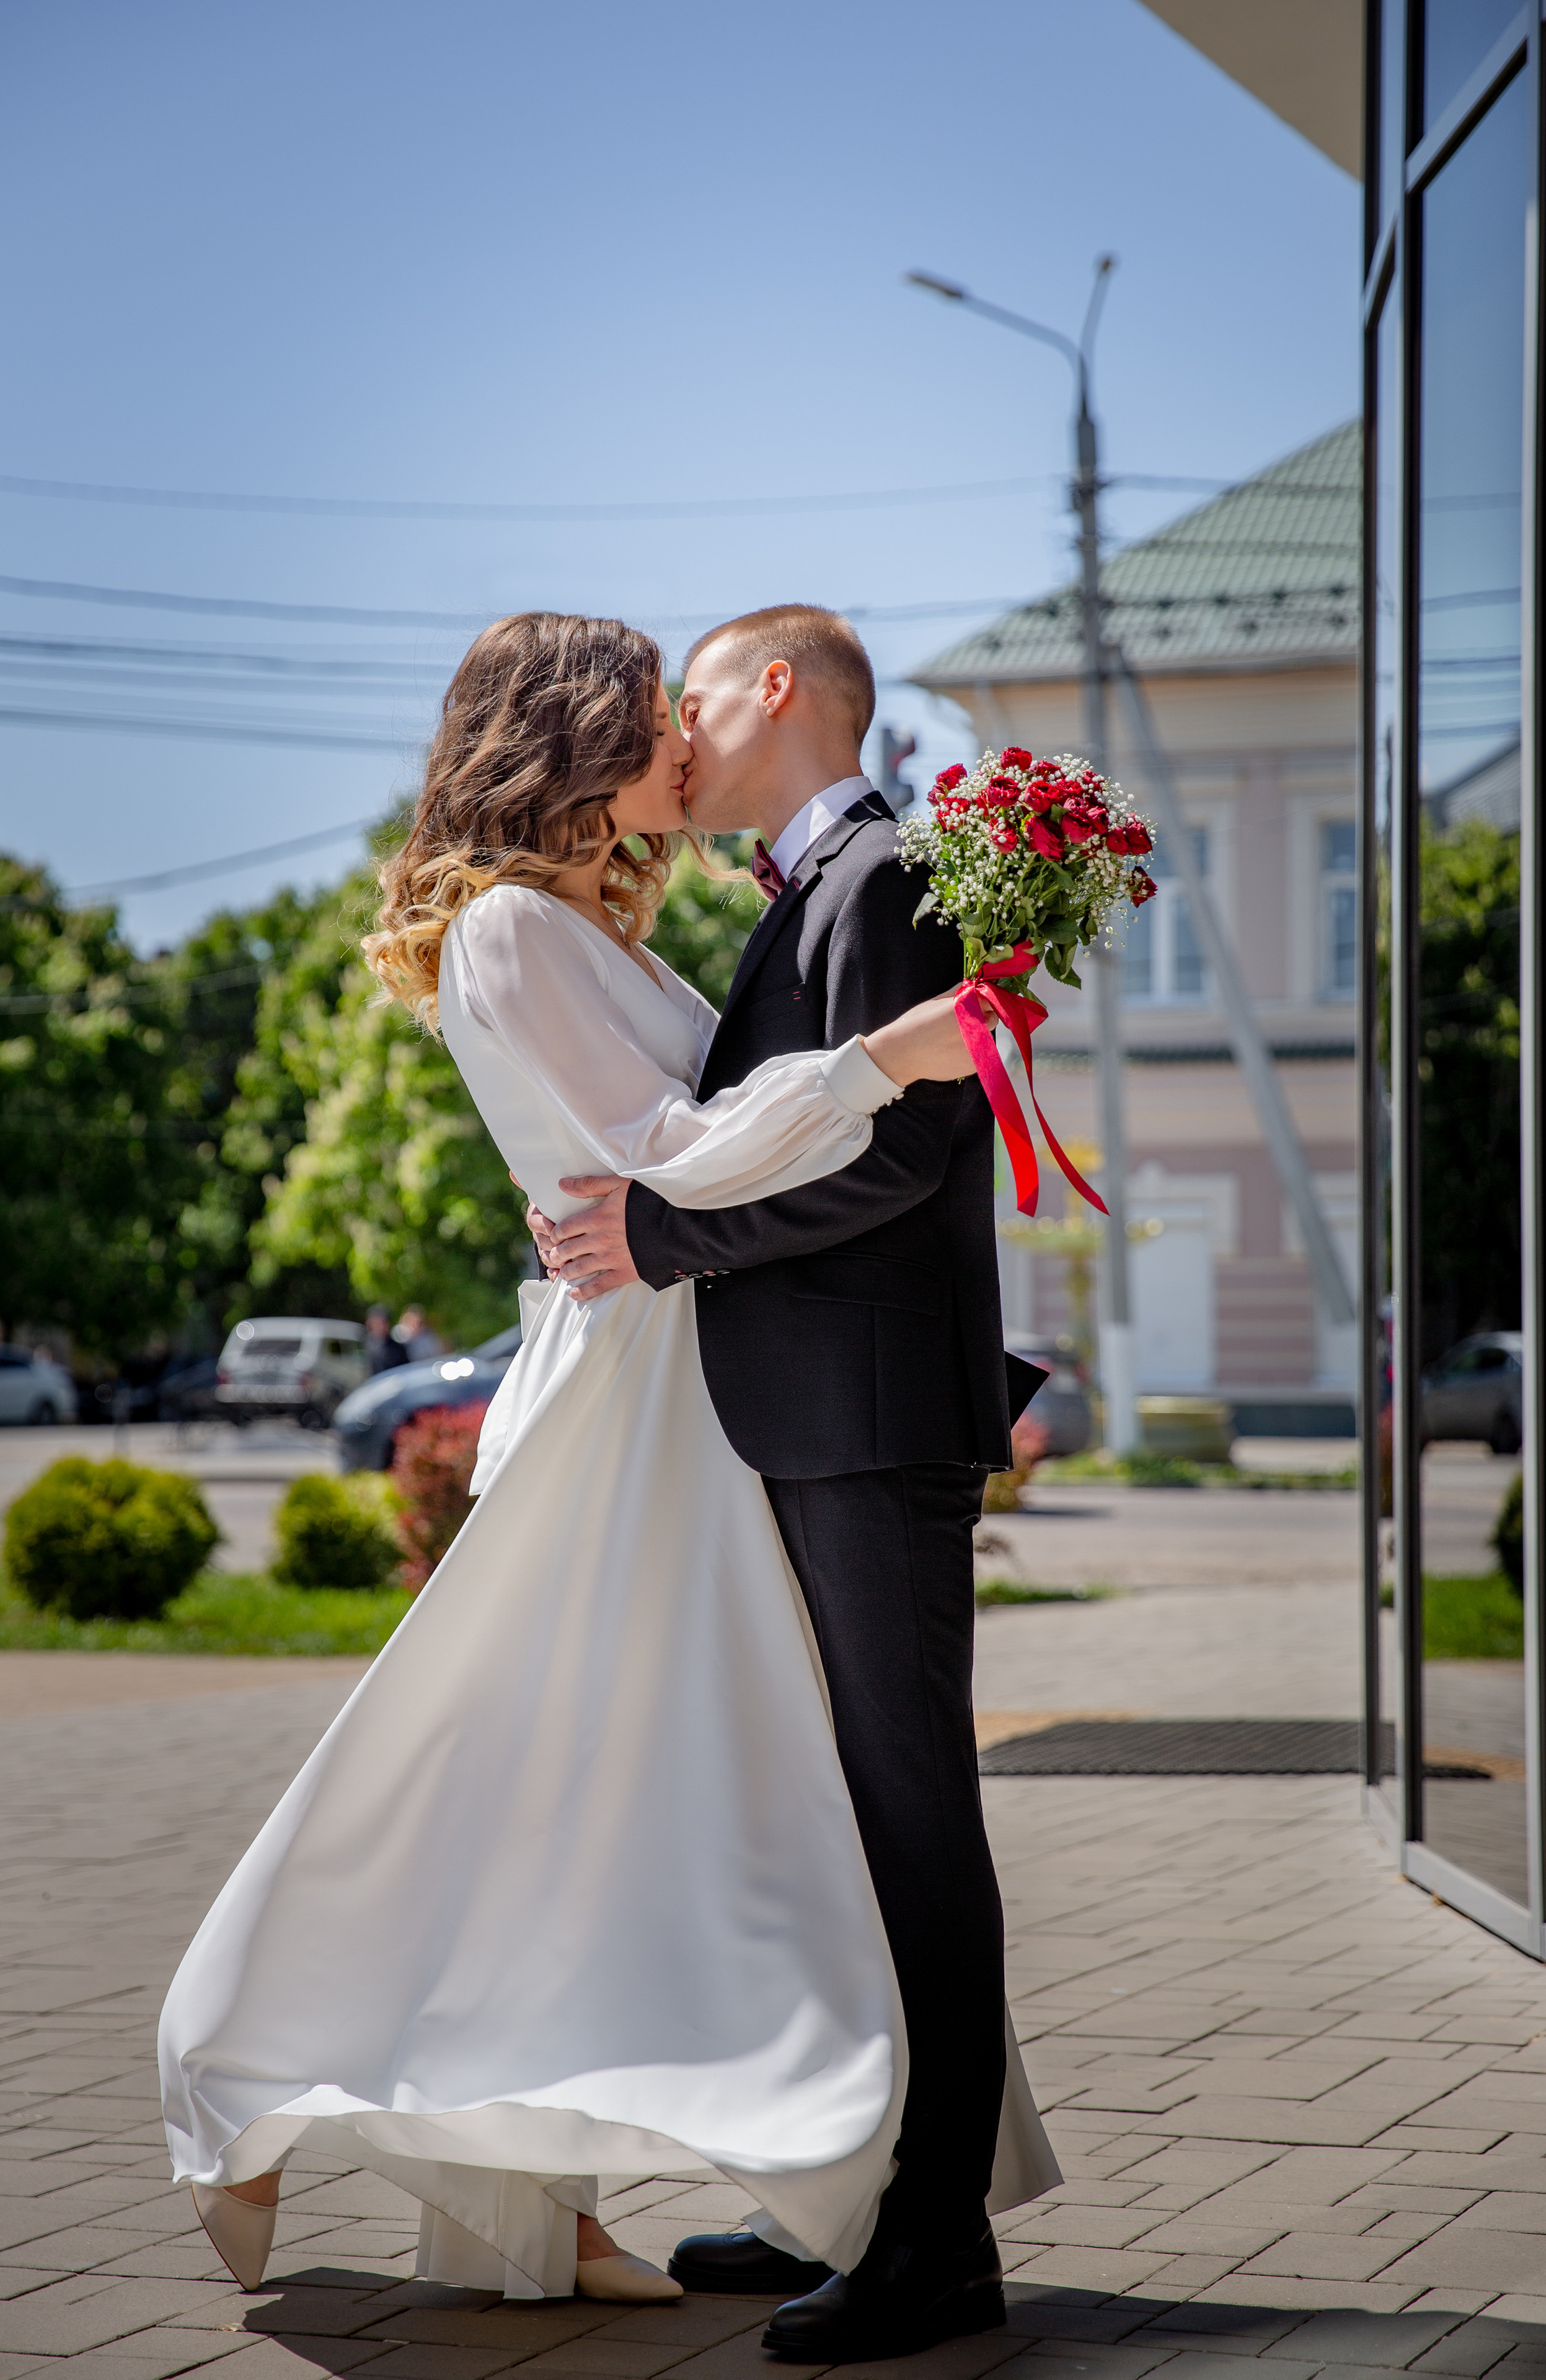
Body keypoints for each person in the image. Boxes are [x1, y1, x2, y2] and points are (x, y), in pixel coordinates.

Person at [156, 611, 1055, 2338]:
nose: (680, 743)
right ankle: (244, 2049)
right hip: (650, 1397)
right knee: (505, 1774)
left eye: (687, 704)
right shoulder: (510, 930)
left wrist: (844, 1098)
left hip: (711, 1387)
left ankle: (845, 2194)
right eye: (649, 718)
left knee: (701, 1813)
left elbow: (707, 1174)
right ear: (572, 734)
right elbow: (670, 1162)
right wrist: (882, 1057)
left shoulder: (611, 918)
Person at [527, 603, 1058, 2359]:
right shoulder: (813, 891)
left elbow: (910, 1143)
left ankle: (937, 2249)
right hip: (812, 1415)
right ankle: (847, 2187)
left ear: (777, 692)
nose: (676, 734)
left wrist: (661, 1233)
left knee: (915, 1821)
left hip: (872, 1423)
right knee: (848, 1824)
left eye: (693, 697)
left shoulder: (887, 875)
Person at [364, 1305, 407, 1375]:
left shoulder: (398, 1348)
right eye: (377, 1323)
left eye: (383, 1323)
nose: (380, 1326)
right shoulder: (364, 1345)